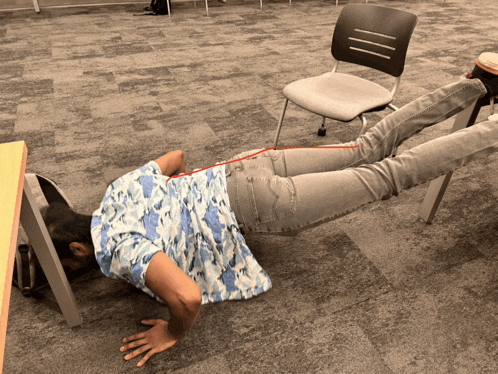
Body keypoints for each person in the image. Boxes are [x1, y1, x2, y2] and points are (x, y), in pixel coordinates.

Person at [43, 52, 498, 367]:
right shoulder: (116, 189)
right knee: (369, 146)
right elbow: (177, 158)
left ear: (81, 249)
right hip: (247, 167)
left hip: (260, 204)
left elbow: (186, 297)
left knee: (387, 176)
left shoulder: (119, 249)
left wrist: (171, 333)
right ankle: (477, 83)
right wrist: (189, 204)